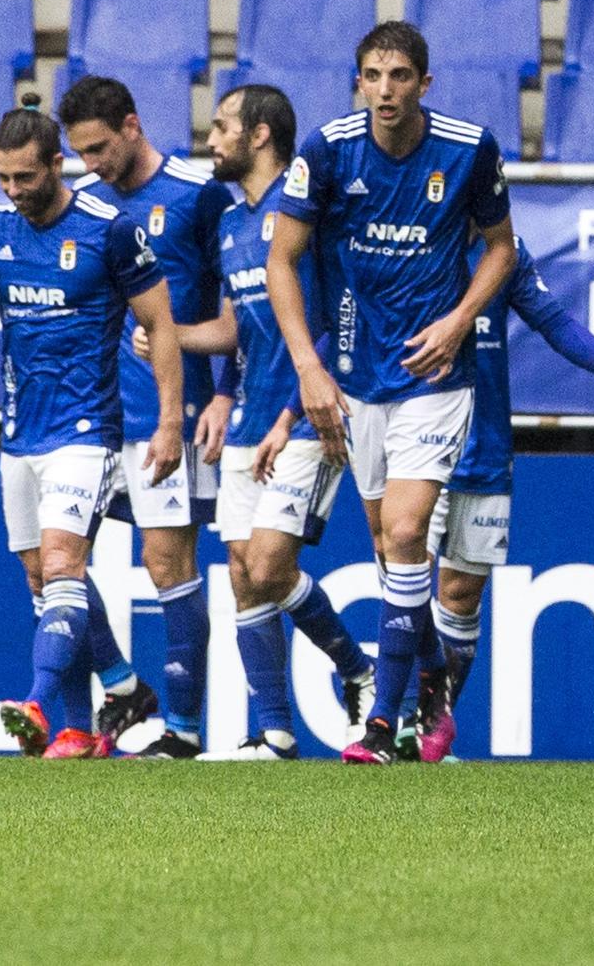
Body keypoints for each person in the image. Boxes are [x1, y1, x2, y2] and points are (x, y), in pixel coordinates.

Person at [0, 98, 183, 759]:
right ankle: (106, 704)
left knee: (60, 563)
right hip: (21, 433)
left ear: (58, 164)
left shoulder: (109, 227)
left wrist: (168, 422)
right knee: (45, 582)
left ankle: (38, 702)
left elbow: (160, 324)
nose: (14, 190)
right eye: (4, 177)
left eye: (26, 176)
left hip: (86, 429)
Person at [266, 22, 517, 765]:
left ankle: (382, 718)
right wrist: (310, 367)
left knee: (408, 533)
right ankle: (432, 675)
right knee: (387, 546)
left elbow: (500, 247)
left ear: (424, 84)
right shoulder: (326, 149)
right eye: (372, 75)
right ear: (358, 81)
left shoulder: (469, 149)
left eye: (400, 75)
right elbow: (283, 259)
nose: (385, 89)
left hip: (437, 378)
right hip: (355, 376)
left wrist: (460, 318)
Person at [154, 84, 379, 760]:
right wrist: (180, 342)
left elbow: (332, 318)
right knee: (242, 572)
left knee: (269, 563)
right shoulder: (230, 222)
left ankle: (359, 670)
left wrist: (292, 410)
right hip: (250, 415)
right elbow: (239, 326)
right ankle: (276, 733)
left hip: (311, 414)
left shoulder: (303, 213)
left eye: (223, 127)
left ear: (259, 136)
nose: (211, 139)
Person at [392, 235, 594, 761]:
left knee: (459, 595)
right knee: (405, 575)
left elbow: (553, 319)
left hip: (484, 444)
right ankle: (397, 716)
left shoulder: (504, 249)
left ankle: (427, 726)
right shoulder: (412, 229)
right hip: (411, 440)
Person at [58, 76, 231, 758]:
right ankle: (121, 686)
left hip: (171, 414)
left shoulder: (198, 195)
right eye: (79, 153)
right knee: (52, 560)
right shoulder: (87, 205)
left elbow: (244, 302)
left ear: (132, 124)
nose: (91, 163)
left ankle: (184, 732)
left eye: (99, 147)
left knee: (166, 562)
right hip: (94, 418)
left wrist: (225, 393)